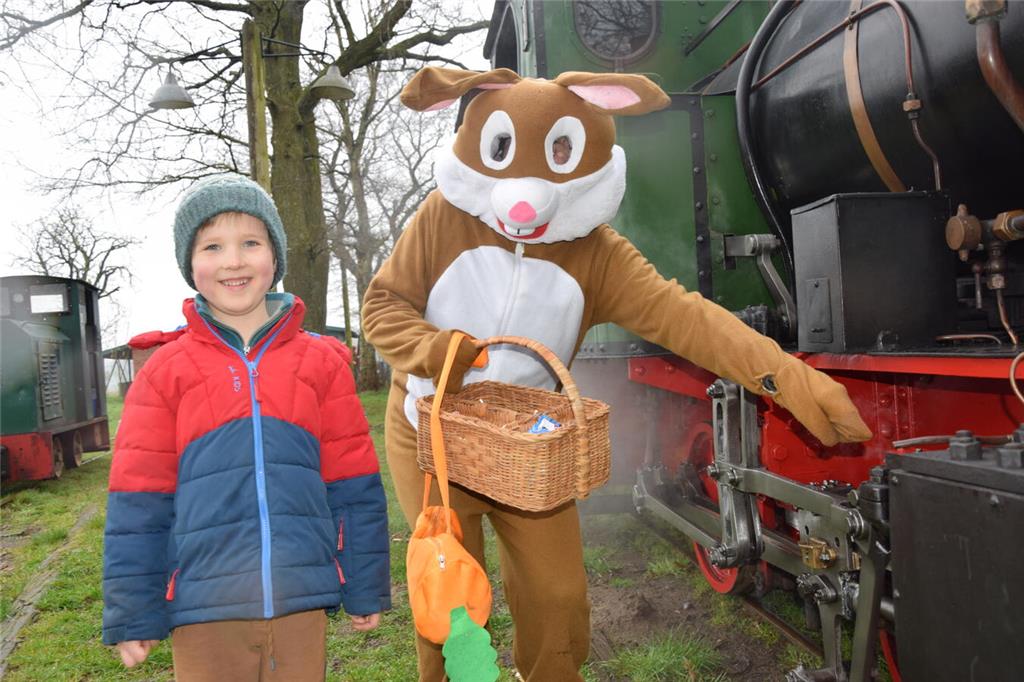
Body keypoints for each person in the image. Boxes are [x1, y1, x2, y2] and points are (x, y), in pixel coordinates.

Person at [361, 67, 872, 682]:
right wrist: (433, 349)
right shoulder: (441, 217)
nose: (528, 190)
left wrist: (790, 378)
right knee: (449, 599)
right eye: (507, 152)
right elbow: (383, 305)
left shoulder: (598, 254)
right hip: (430, 435)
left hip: (530, 449)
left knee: (556, 599)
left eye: (558, 154)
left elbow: (688, 319)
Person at [102, 176, 390, 681]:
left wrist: (365, 583)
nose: (233, 260)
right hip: (203, 604)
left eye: (250, 243)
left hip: (301, 600)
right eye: (213, 246)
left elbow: (355, 485)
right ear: (191, 265)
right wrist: (134, 611)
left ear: (274, 258)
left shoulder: (321, 365)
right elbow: (137, 504)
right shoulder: (166, 372)